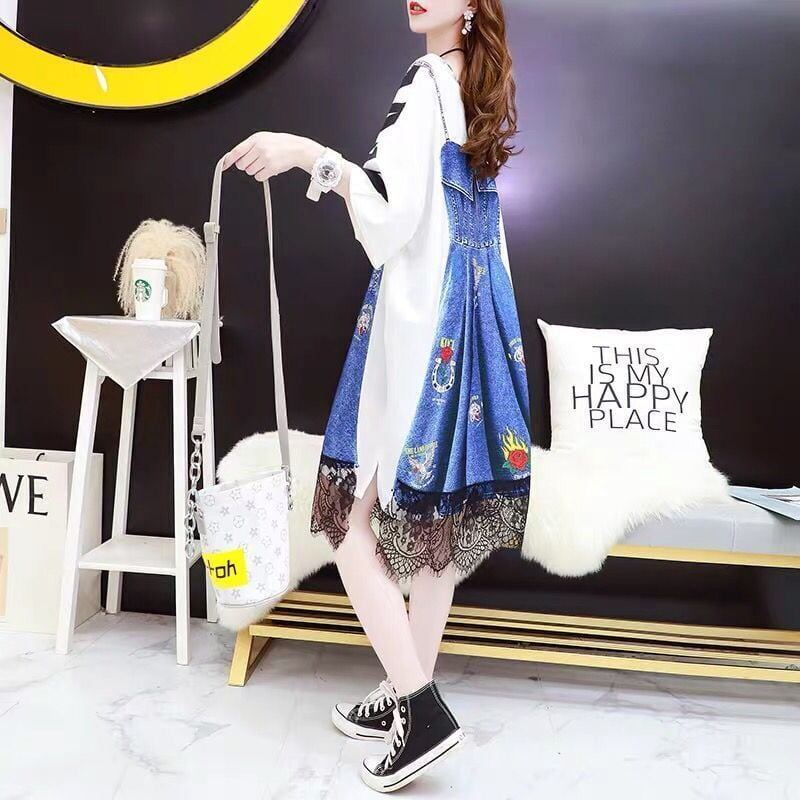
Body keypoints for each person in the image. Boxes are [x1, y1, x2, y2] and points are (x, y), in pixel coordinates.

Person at [224, 0, 529, 792]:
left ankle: (420, 709)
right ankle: (404, 689)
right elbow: (482, 238)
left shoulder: (428, 82)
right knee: (433, 531)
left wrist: (306, 155)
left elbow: (389, 221)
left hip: (421, 331)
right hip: (472, 329)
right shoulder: (475, 90)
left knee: (345, 515)